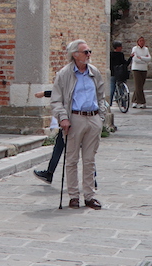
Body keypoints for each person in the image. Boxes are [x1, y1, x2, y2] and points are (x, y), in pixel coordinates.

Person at [50, 39, 107, 209]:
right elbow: (56, 100)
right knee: (72, 159)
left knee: (89, 160)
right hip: (74, 119)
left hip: (93, 118)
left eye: (89, 51)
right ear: (75, 54)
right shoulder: (64, 74)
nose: (89, 55)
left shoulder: (94, 72)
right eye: (85, 52)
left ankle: (89, 196)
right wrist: (63, 118)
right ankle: (74, 196)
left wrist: (101, 117)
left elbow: (101, 96)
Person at [32, 90, 65, 183]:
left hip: (72, 120)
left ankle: (49, 174)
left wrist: (44, 93)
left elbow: (63, 92)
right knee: (85, 150)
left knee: (59, 148)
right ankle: (92, 178)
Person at [129, 36, 152, 108]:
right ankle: (142, 101)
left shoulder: (146, 49)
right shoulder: (135, 49)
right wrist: (144, 60)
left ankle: (134, 101)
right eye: (140, 41)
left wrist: (141, 58)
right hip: (136, 69)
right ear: (138, 42)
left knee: (140, 85)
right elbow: (135, 59)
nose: (142, 42)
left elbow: (149, 59)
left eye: (143, 41)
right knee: (138, 85)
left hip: (144, 69)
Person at [108, 41, 128, 106]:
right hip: (120, 73)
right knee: (120, 88)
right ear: (117, 47)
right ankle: (123, 103)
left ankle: (109, 103)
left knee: (112, 88)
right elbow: (125, 63)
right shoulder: (120, 55)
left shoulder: (110, 54)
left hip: (113, 73)